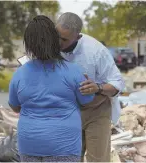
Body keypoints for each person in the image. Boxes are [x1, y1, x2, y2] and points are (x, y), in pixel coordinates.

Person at [8, 15, 94, 162]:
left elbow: (15, 106)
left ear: (29, 44)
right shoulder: (74, 71)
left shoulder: (20, 74)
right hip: (64, 145)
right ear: (55, 39)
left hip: (29, 144)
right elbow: (86, 101)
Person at [56, 12, 125, 162]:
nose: (58, 42)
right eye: (57, 36)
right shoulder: (49, 44)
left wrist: (98, 87)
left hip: (97, 111)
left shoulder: (95, 51)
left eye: (64, 39)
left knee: (98, 159)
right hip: (67, 112)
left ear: (77, 36)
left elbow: (117, 84)